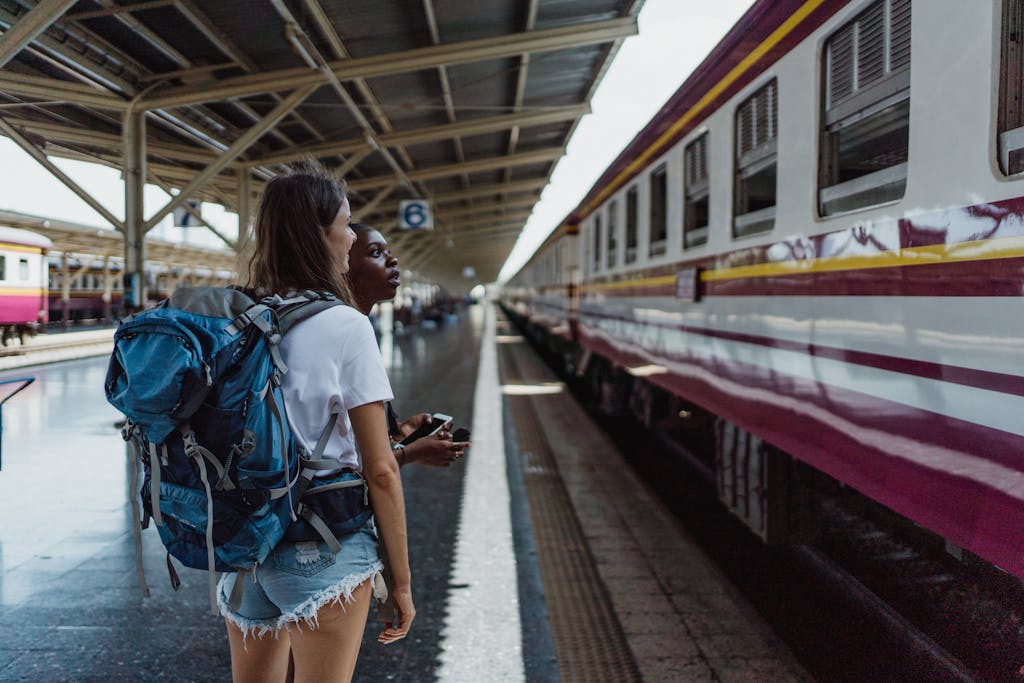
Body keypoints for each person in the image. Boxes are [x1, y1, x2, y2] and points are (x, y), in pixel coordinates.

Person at [219, 170, 415, 683]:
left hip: (244, 548)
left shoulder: (240, 316)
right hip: (320, 549)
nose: (352, 238)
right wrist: (401, 582)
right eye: (347, 225)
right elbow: (381, 470)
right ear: (319, 234)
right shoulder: (346, 325)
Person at [346, 223, 469, 467]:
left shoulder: (350, 324)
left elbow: (351, 435)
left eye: (388, 251)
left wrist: (401, 432)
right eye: (376, 253)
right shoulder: (349, 328)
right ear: (342, 265)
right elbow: (373, 469)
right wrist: (411, 453)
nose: (393, 259)